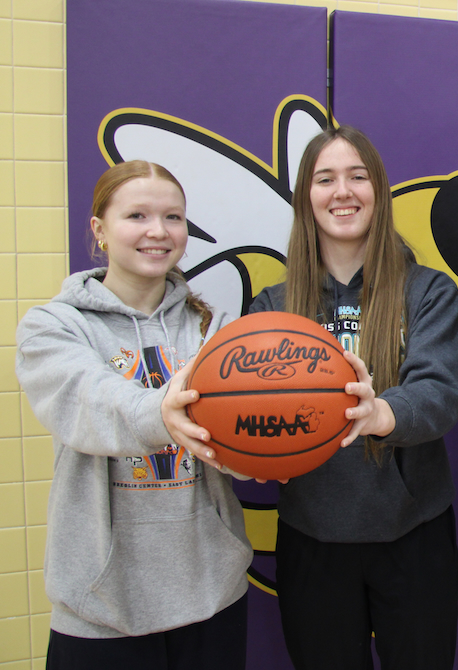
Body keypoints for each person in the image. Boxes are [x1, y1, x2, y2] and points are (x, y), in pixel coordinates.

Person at [15, 161, 253, 669]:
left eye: (173, 217)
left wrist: (290, 430)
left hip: (212, 595)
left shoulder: (213, 331)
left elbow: (236, 451)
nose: (157, 231)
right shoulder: (53, 327)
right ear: (100, 230)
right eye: (137, 215)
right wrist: (161, 411)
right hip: (103, 609)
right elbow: (87, 397)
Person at [249, 125, 458, 670]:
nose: (342, 191)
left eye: (357, 176)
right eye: (325, 179)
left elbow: (437, 395)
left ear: (379, 191)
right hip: (312, 536)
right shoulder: (272, 309)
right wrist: (247, 448)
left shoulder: (428, 291)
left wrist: (378, 413)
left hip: (414, 535)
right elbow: (250, 414)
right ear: (306, 198)